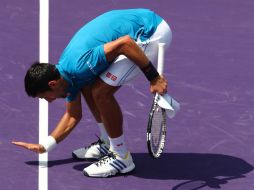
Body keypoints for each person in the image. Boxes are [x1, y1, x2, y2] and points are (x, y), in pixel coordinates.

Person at [12, 8, 172, 177]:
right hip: (139, 25)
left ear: (52, 84)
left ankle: (122, 157)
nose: (49, 101)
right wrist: (44, 146)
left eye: (45, 97)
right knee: (88, 87)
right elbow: (73, 116)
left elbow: (125, 43)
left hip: (150, 31)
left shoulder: (79, 65)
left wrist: (153, 77)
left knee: (101, 92)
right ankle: (106, 142)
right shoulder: (65, 76)